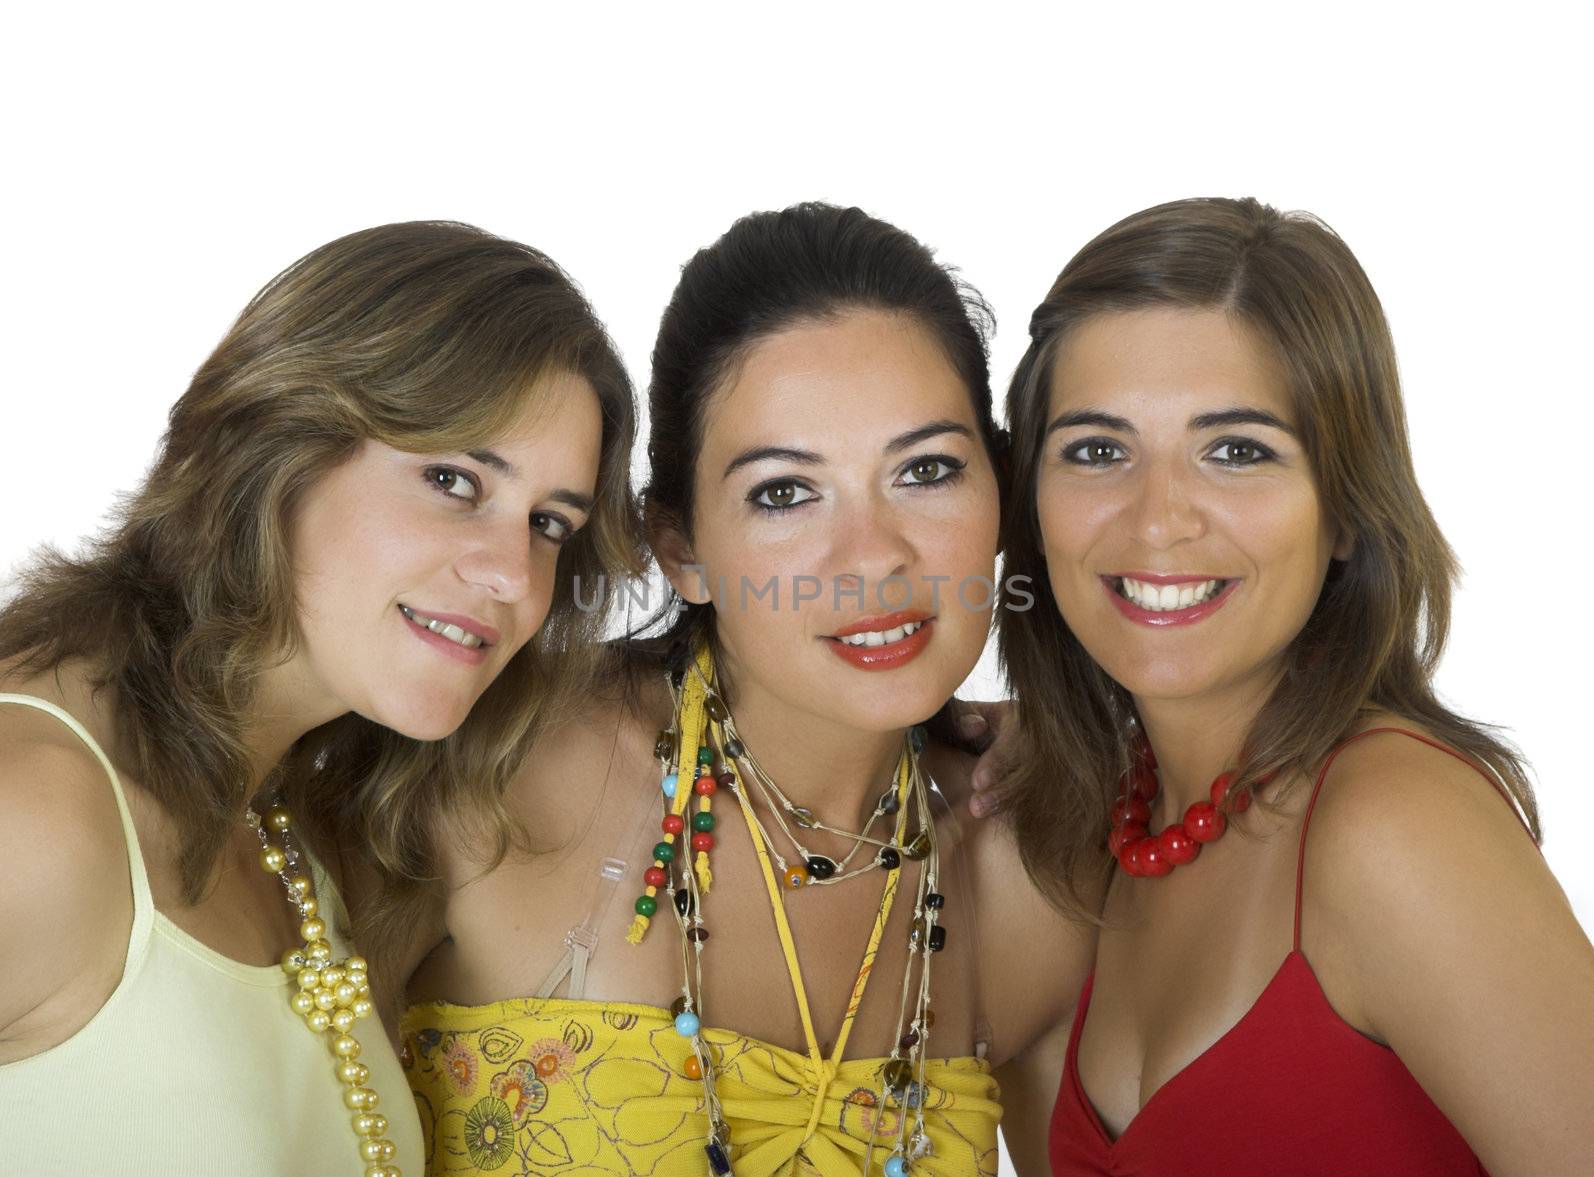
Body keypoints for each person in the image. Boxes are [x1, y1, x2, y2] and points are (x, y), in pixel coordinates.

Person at [397, 203, 1093, 1177]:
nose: (872, 558)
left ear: (1003, 489)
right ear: (679, 547)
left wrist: (1100, 737)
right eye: (783, 491)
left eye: (926, 470)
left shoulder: (1031, 882)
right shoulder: (493, 765)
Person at [0, 221, 639, 1177]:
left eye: (550, 523)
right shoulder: (34, 811)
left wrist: (931, 750)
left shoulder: (292, 839)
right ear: (280, 442)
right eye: (455, 480)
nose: (512, 573)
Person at [981, 196, 1594, 1174]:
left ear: (1346, 509)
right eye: (1097, 450)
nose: (1157, 520)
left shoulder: (1392, 827)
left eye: (1236, 451)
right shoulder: (1095, 831)